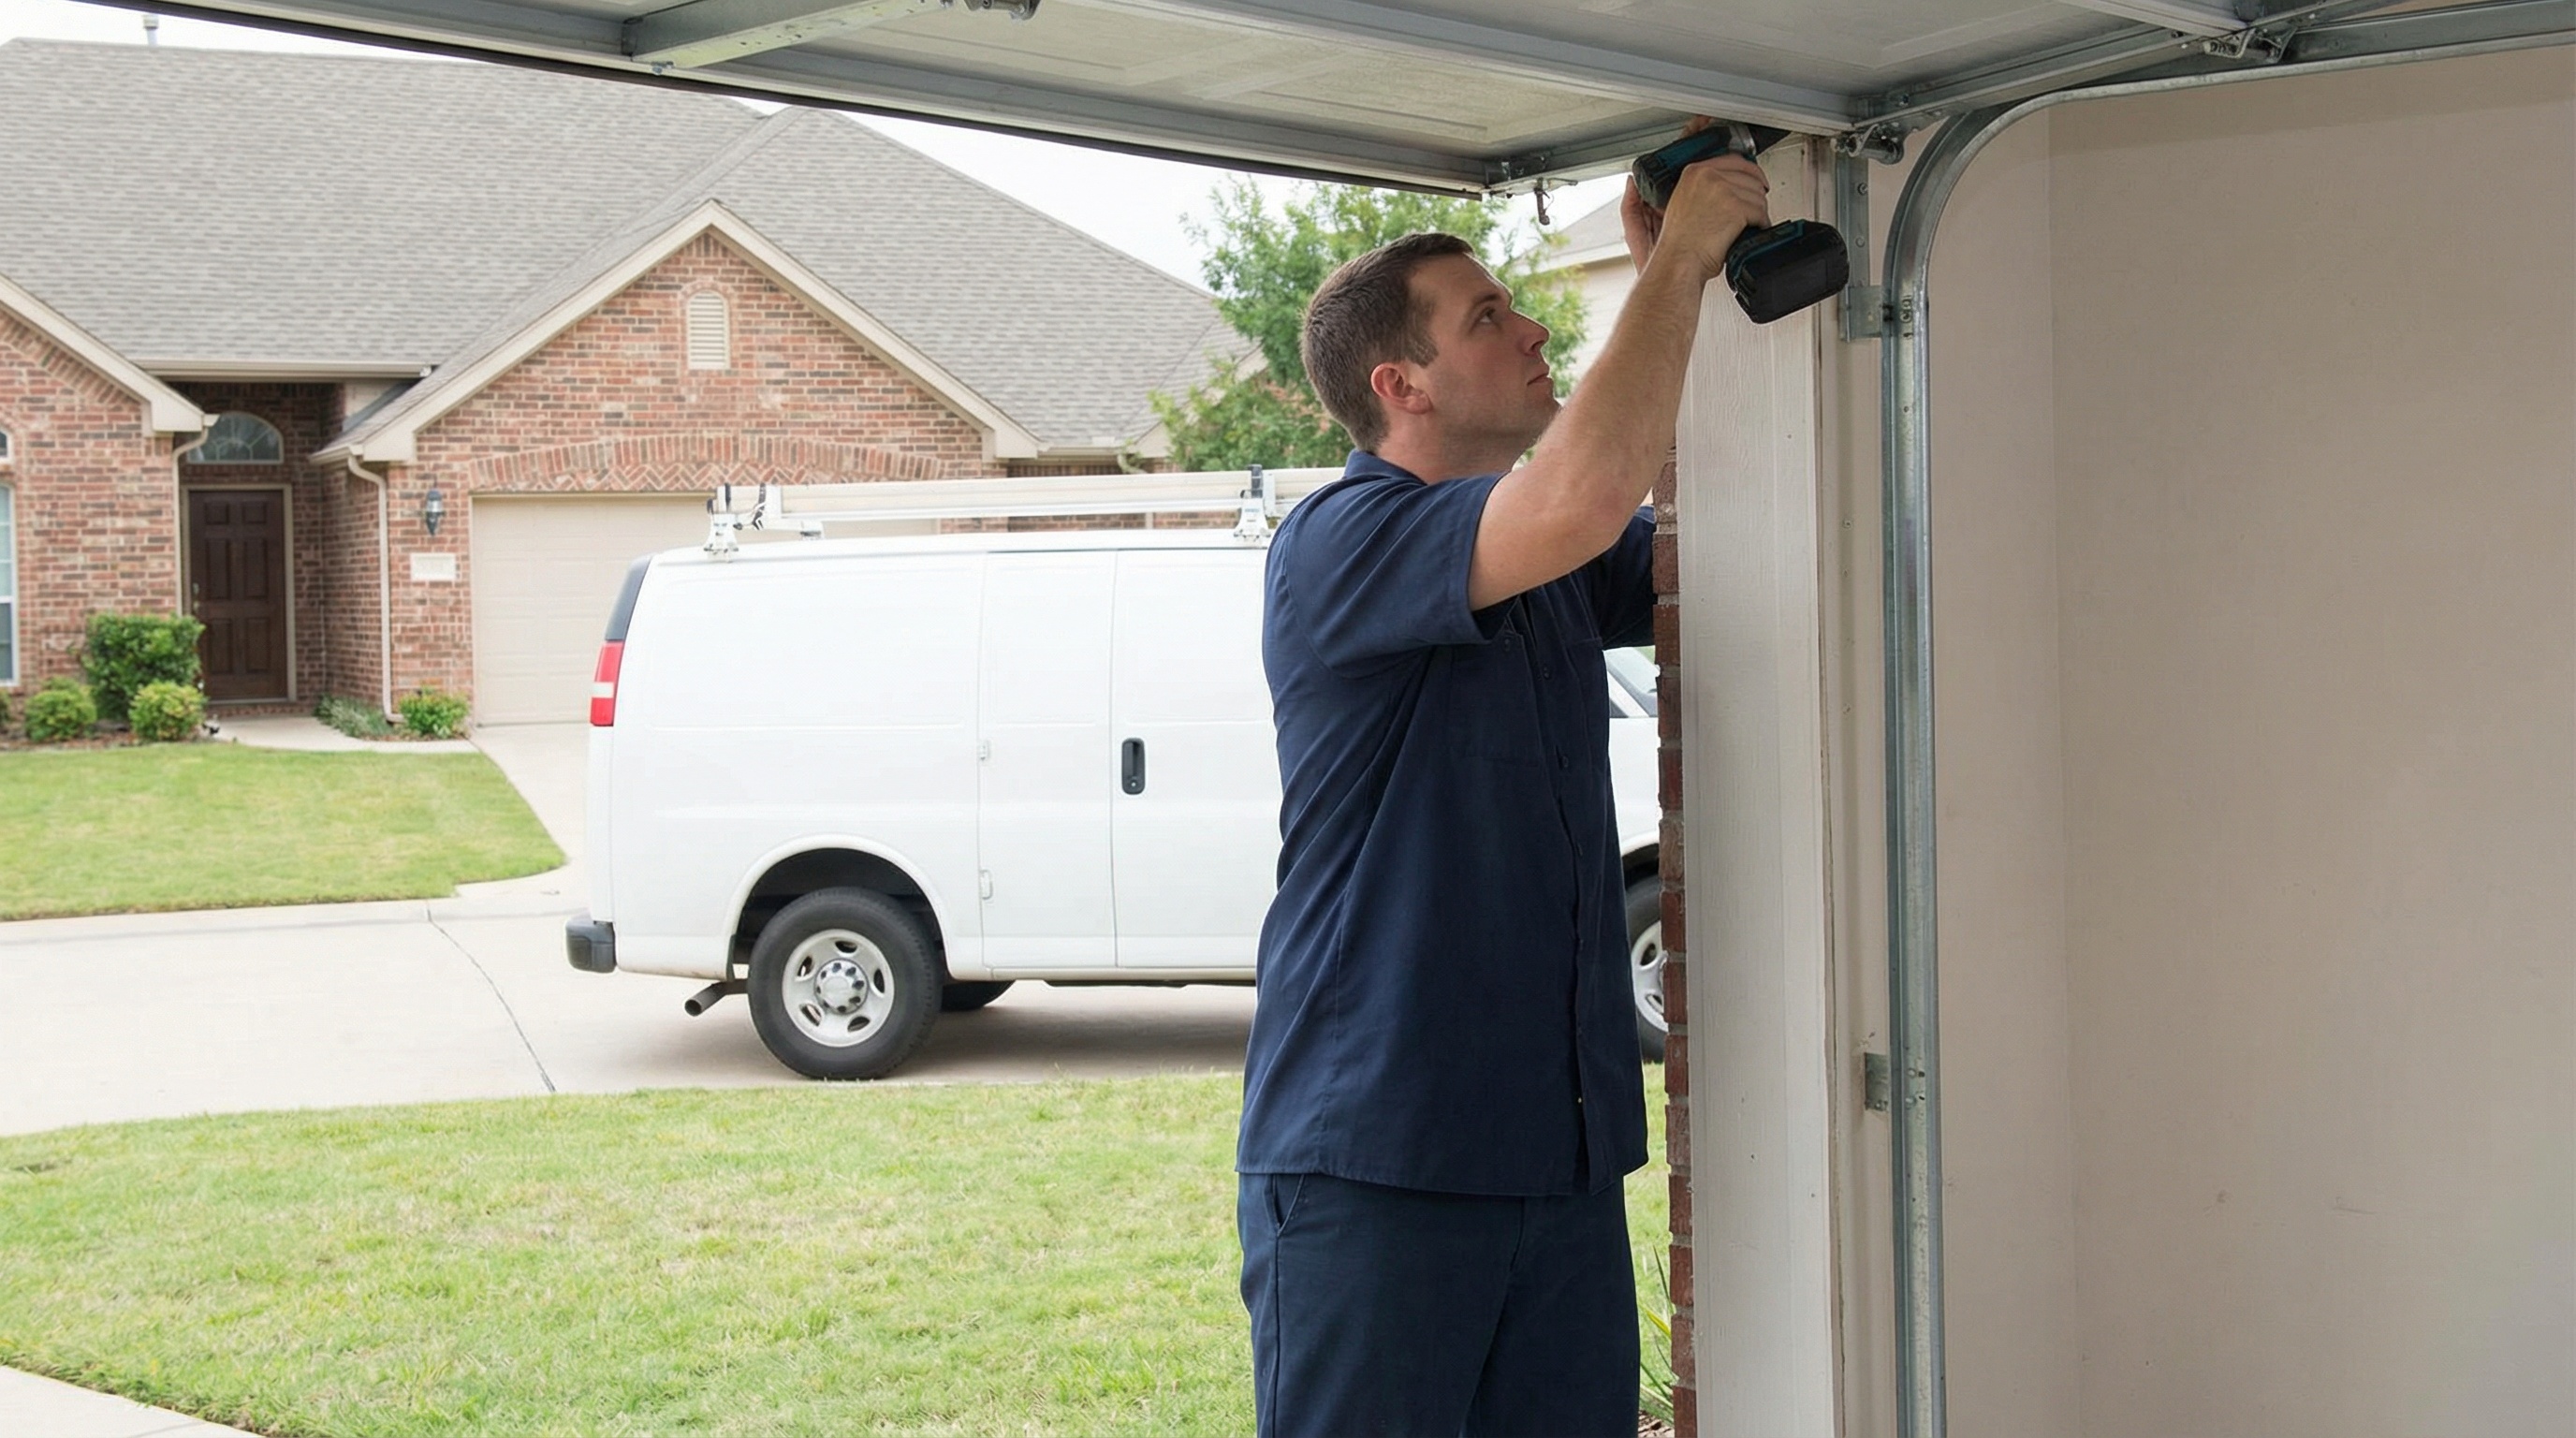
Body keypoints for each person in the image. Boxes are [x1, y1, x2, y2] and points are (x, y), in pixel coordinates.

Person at [1233, 136, 1773, 1436]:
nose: (1532, 328)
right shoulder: (1341, 543)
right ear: (1399, 383)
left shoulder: (1533, 572)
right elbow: (1586, 495)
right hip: (1380, 1164)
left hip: (1557, 1157)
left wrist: (1675, 290)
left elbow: (1678, 531)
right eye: (1486, 317)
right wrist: (1682, 259)